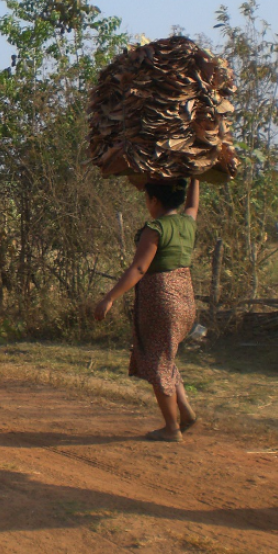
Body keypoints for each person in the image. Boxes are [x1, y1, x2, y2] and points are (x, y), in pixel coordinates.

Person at [94, 178, 200, 442]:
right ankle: (185, 412)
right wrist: (196, 175)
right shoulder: (188, 222)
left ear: (153, 200)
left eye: (147, 198)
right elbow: (193, 205)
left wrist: (110, 297)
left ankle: (171, 428)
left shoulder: (155, 229)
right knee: (166, 356)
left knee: (157, 361)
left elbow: (139, 269)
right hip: (186, 298)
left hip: (161, 298)